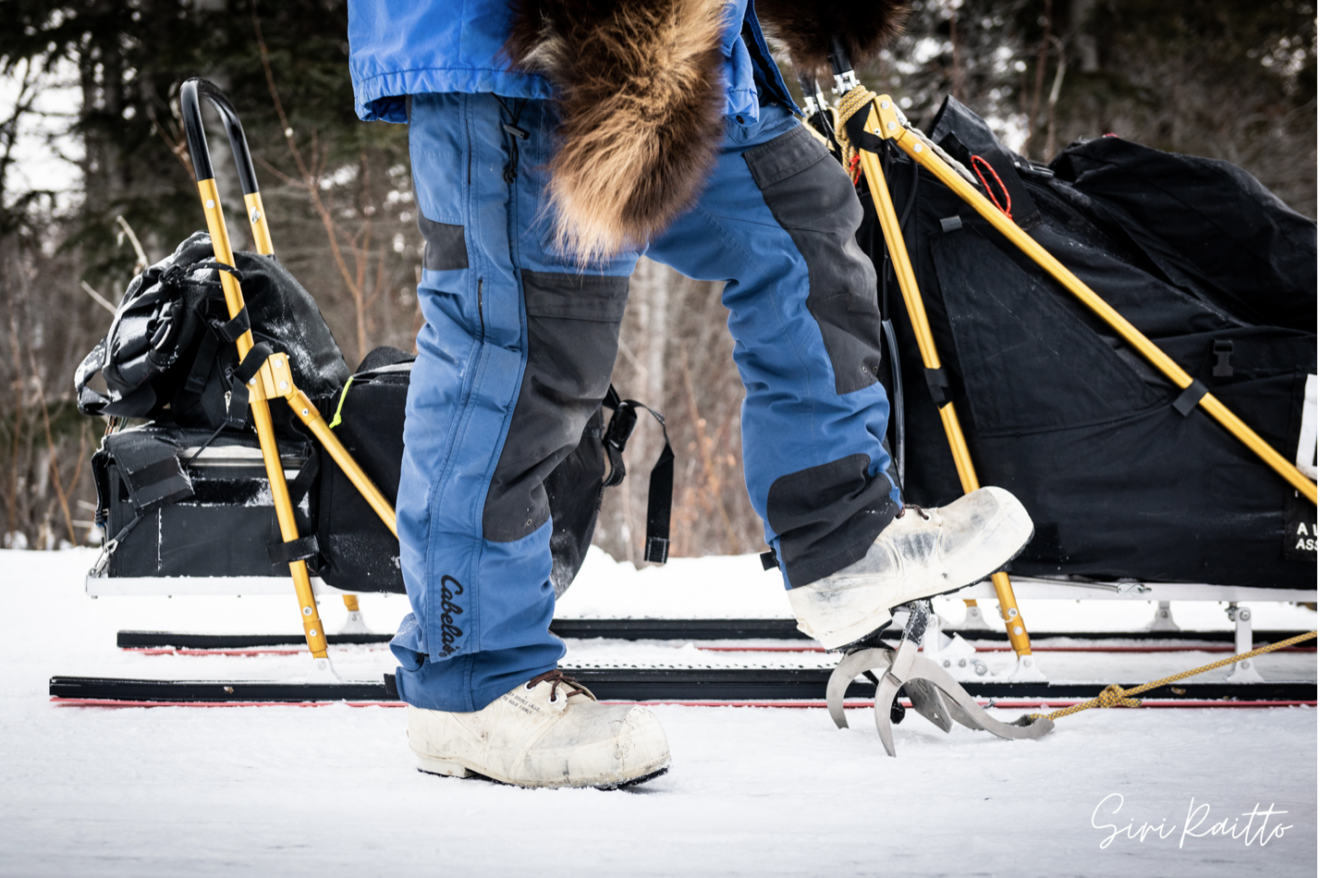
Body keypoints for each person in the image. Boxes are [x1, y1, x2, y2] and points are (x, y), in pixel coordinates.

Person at [347, 0, 1033, 789]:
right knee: (525, 345)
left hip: (690, 37)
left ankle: (843, 538)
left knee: (798, 220)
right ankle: (473, 679)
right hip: (519, 42)